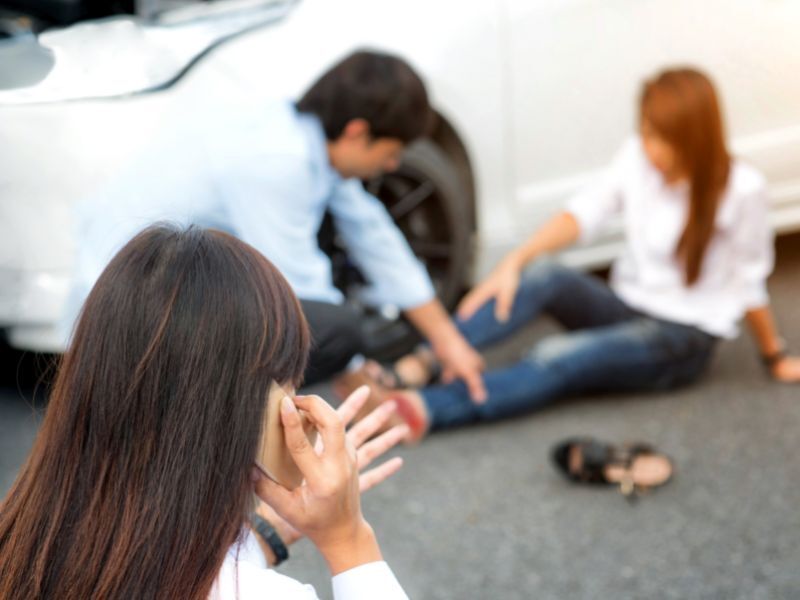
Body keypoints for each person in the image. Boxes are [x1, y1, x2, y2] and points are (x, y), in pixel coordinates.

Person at [341, 67, 800, 442]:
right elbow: (582, 214)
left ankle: (422, 409)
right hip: (625, 306)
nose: (652, 147)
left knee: (557, 355)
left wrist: (773, 355)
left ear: (695, 138)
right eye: (647, 131)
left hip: (682, 338)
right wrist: (513, 263)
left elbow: (749, 280)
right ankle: (417, 366)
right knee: (544, 275)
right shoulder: (638, 156)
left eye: (664, 137)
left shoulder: (743, 190)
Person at [0, 225, 410, 599]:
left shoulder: (19, 541)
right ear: (252, 406)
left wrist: (262, 535)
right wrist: (348, 540)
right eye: (289, 381)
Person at [64, 49, 485, 399]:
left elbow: (373, 234)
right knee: (338, 330)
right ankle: (202, 415)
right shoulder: (278, 163)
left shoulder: (300, 132)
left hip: (153, 288)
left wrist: (446, 340)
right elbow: (299, 286)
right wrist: (357, 379)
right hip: (131, 324)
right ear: (358, 132)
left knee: (325, 314)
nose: (391, 166)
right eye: (391, 153)